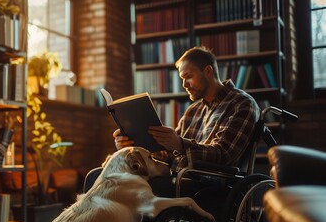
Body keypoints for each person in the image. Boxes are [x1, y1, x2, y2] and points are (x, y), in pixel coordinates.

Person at [86, 46, 260, 206]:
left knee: (128, 187)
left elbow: (225, 154)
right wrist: (133, 146)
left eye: (188, 77)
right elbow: (169, 154)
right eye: (182, 79)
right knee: (96, 176)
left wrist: (180, 144)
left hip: (209, 185)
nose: (184, 85)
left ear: (208, 71)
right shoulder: (193, 111)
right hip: (177, 177)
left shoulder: (241, 104)